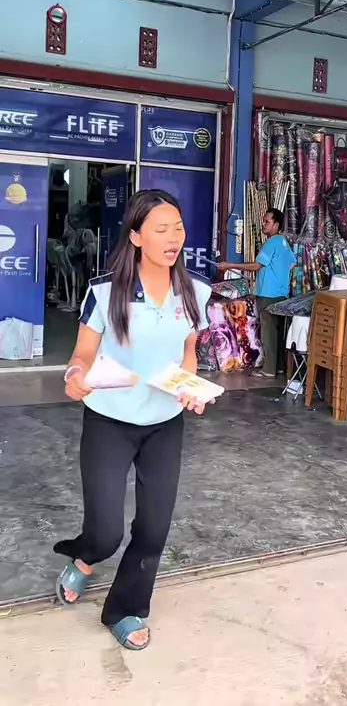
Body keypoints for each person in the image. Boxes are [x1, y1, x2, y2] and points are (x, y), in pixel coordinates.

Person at [54, 189, 212, 651]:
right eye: (161, 229)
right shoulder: (106, 291)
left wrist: (189, 386)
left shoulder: (196, 289)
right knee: (106, 531)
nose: (173, 238)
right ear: (137, 236)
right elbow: (82, 354)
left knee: (153, 528)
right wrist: (74, 375)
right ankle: (86, 558)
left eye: (178, 228)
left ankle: (125, 609)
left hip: (164, 422)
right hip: (109, 421)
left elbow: (188, 351)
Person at [218, 208, 295, 378]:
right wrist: (277, 274)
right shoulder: (283, 242)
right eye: (264, 221)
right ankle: (279, 367)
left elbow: (256, 265)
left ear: (276, 225)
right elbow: (292, 263)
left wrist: (230, 265)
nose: (263, 224)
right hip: (281, 293)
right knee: (278, 332)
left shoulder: (271, 242)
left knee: (268, 333)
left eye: (267, 222)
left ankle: (268, 370)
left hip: (268, 294)